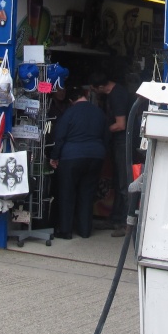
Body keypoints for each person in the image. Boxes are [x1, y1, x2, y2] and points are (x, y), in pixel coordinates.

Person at [49, 84, 109, 239]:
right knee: (87, 194)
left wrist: (54, 157)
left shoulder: (69, 113)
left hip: (72, 157)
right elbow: (106, 136)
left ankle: (66, 230)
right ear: (86, 96)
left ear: (71, 100)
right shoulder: (99, 113)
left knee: (67, 193)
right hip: (96, 156)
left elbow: (59, 136)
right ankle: (85, 230)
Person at [89, 70, 133, 236]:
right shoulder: (114, 94)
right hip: (118, 143)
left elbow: (121, 124)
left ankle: (125, 224)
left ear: (101, 87)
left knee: (124, 183)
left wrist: (102, 130)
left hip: (123, 143)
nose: (94, 92)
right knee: (117, 182)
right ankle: (115, 218)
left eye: (94, 89)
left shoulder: (117, 95)